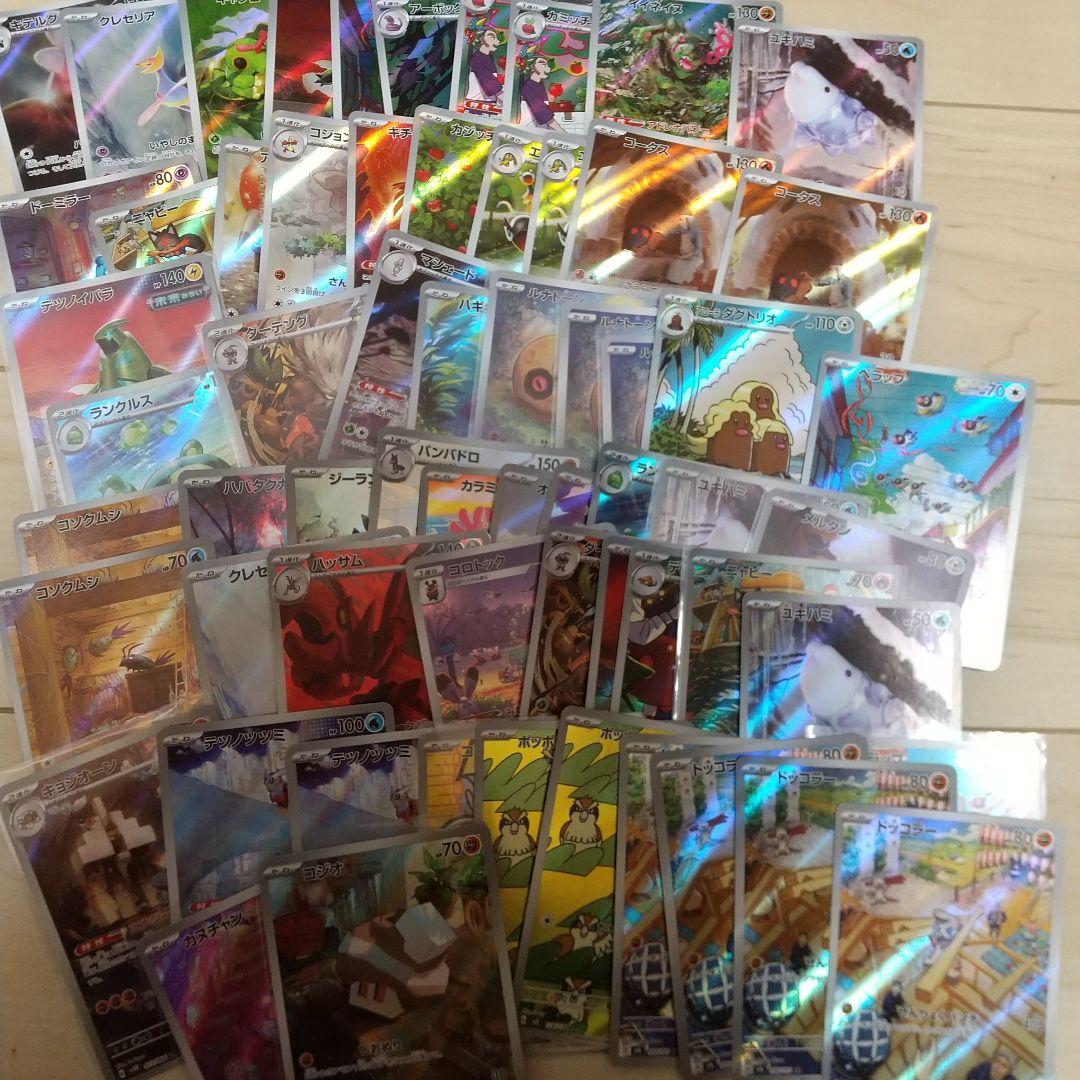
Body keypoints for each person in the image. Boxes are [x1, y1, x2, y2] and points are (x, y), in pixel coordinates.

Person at [467, 28, 503, 105]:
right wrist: (507, 101)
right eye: (492, 37)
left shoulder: (487, 57)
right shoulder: (478, 59)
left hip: (485, 102)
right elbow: (491, 85)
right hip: (478, 103)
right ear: (481, 39)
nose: (498, 41)